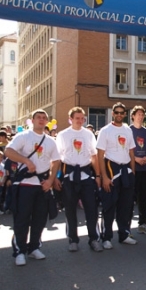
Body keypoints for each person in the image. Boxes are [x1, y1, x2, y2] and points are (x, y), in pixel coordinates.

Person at [5, 109, 60, 266]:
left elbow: (56, 161)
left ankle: (34, 247)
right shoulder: (23, 136)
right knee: (22, 219)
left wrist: (50, 179)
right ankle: (20, 251)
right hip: (25, 185)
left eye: (44, 118)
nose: (41, 120)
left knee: (39, 219)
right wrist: (26, 161)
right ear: (33, 120)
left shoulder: (50, 141)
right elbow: (8, 151)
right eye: (38, 117)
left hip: (42, 185)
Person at [53, 107, 103, 252]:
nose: (80, 121)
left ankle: (94, 239)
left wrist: (98, 176)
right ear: (71, 119)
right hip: (69, 175)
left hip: (86, 175)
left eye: (82, 118)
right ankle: (73, 239)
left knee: (91, 209)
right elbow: (57, 158)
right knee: (70, 209)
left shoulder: (88, 134)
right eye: (77, 118)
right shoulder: (63, 135)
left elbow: (94, 157)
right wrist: (56, 177)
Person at [96, 102, 137, 249]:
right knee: (109, 205)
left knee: (125, 206)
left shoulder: (128, 130)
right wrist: (104, 177)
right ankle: (106, 237)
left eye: (122, 112)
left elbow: (131, 152)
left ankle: (124, 234)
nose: (119, 114)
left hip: (126, 170)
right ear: (112, 113)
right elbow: (100, 155)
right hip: (111, 169)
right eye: (117, 112)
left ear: (125, 114)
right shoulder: (105, 130)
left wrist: (133, 172)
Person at [130, 106, 146, 235]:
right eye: (138, 114)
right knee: (129, 198)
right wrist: (135, 159)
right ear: (133, 116)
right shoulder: (128, 130)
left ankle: (142, 223)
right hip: (131, 169)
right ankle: (126, 227)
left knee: (143, 197)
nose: (140, 116)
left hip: (144, 168)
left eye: (142, 114)